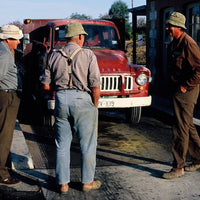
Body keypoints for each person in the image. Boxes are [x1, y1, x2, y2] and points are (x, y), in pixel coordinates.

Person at [41, 22, 101, 193]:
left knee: (62, 144)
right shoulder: (88, 55)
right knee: (88, 144)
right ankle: (87, 182)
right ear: (80, 37)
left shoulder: (53, 55)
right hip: (83, 99)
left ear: (67, 38)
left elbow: (45, 85)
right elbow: (95, 85)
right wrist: (94, 106)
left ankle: (63, 184)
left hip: (61, 99)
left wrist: (60, 92)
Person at [162, 12, 200, 179]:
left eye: (170, 26)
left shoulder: (188, 44)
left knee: (180, 128)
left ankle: (178, 167)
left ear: (178, 27)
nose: (167, 28)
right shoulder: (176, 42)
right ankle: (198, 159)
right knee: (187, 124)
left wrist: (185, 86)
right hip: (179, 89)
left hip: (186, 91)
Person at [0, 25, 23, 185]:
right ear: (7, 39)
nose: (19, 41)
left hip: (7, 94)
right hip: (6, 96)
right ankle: (2, 175)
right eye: (16, 39)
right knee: (4, 136)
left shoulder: (5, 51)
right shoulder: (4, 55)